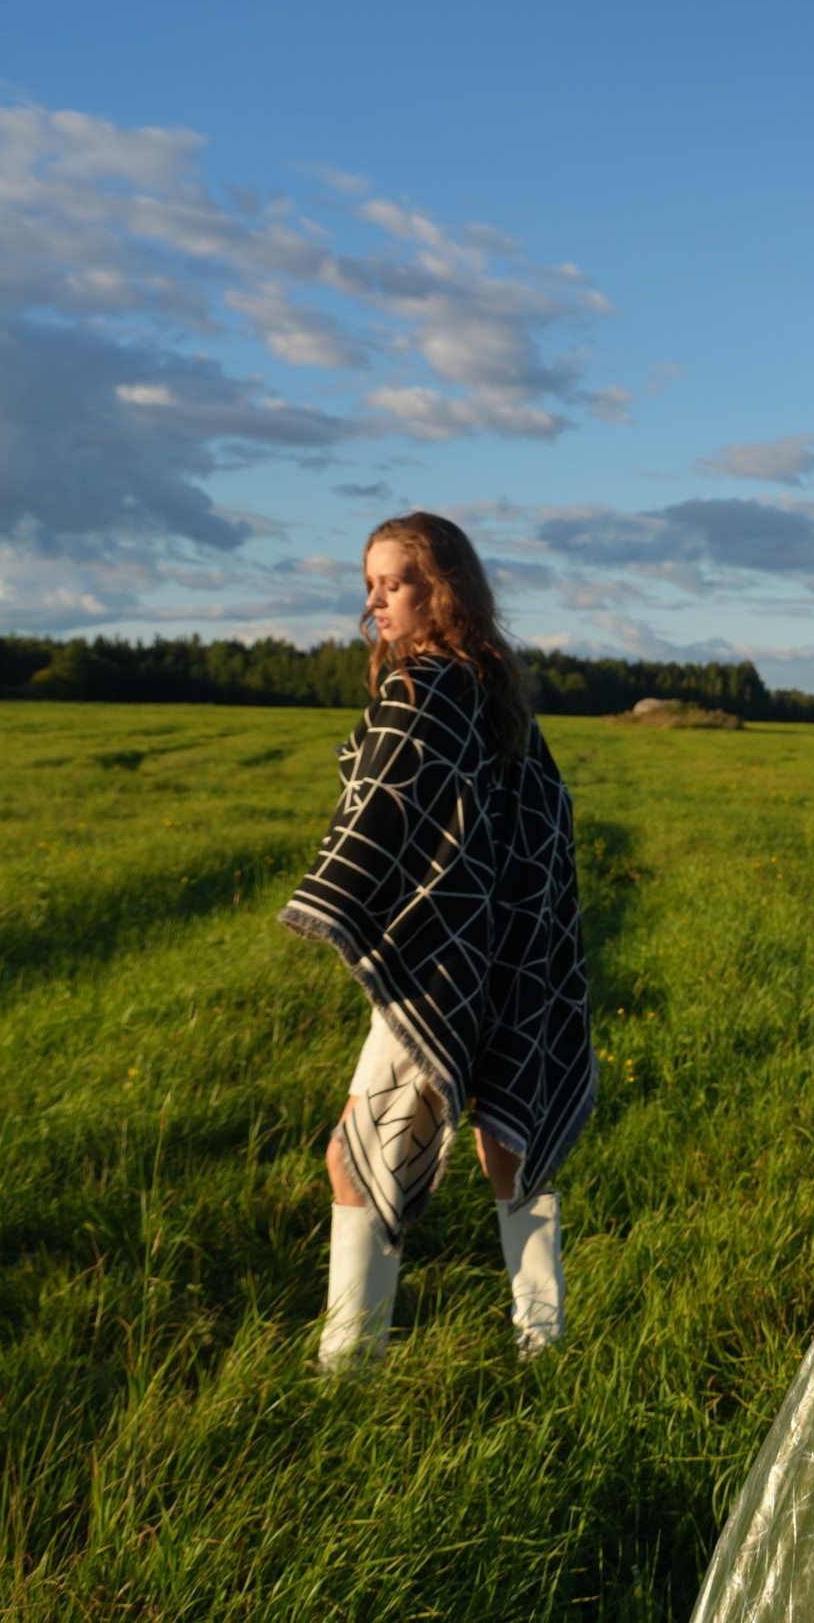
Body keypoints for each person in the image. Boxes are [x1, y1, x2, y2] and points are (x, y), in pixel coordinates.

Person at [280, 511, 598, 1371]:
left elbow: (384, 808)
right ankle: (544, 1341)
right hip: (501, 960)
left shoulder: (423, 688)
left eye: (397, 583)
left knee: (352, 1160)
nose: (377, 602)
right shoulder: (494, 695)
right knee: (509, 1143)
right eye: (371, 585)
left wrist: (334, 896)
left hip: (436, 969)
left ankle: (349, 1365)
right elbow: (543, 828)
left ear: (442, 588)